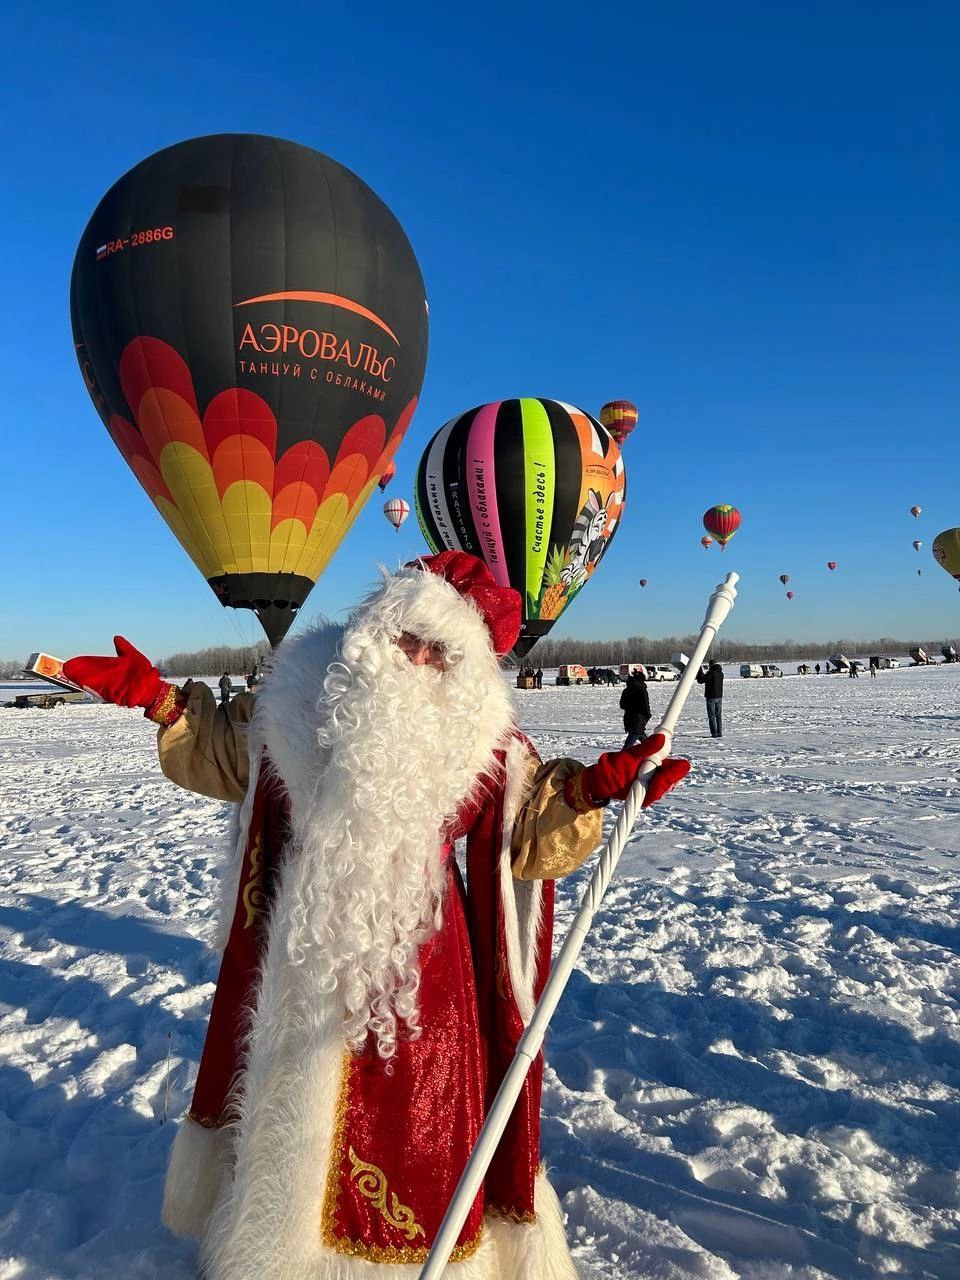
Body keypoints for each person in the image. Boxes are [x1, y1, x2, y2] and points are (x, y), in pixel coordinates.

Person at [63, 553, 689, 1280]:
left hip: (425, 974)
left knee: (416, 1125)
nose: (419, 659)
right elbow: (230, 759)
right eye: (408, 639)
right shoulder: (295, 698)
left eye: (441, 650)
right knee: (287, 1104)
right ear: (376, 629)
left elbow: (526, 839)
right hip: (302, 953)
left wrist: (590, 792)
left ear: (465, 664)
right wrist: (162, 703)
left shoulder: (484, 740)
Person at [619, 669, 651, 747]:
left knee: (644, 741)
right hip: (638, 719)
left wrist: (630, 708)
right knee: (630, 742)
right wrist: (648, 715)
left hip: (629, 718)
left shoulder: (626, 690)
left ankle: (651, 753)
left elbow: (622, 705)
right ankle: (621, 757)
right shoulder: (641, 690)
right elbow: (645, 705)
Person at [696, 659, 724, 737]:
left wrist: (699, 671)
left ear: (711, 665)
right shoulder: (721, 673)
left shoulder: (711, 673)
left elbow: (701, 680)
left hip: (711, 697)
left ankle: (714, 733)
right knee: (718, 716)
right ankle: (719, 733)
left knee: (712, 716)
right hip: (719, 696)